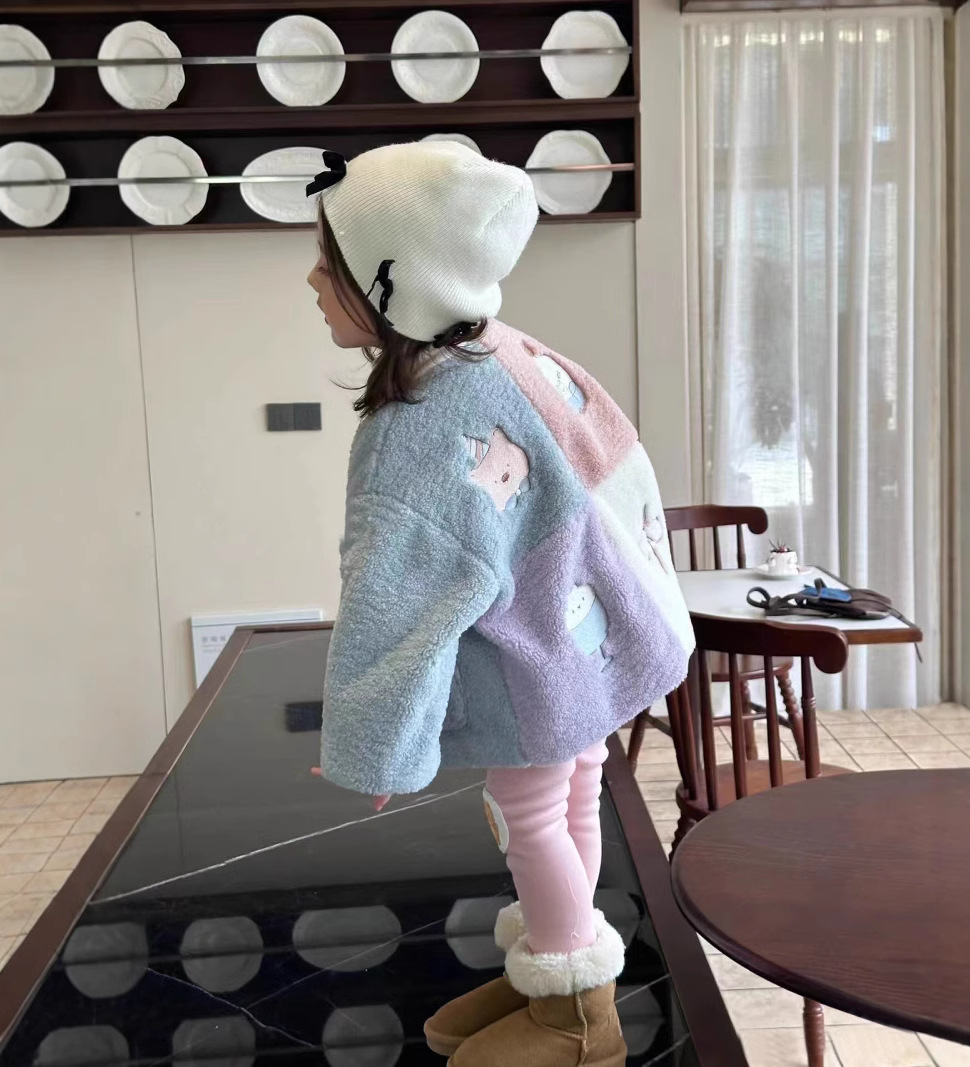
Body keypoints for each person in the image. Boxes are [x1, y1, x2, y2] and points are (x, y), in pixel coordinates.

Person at [305, 141, 694, 1067]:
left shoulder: (418, 424)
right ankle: (560, 967)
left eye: (331, 261)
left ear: (394, 282)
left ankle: (575, 1016)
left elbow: (396, 602)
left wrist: (375, 744)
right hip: (586, 643)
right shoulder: (507, 350)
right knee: (572, 792)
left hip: (532, 658)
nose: (312, 279)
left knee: (526, 813)